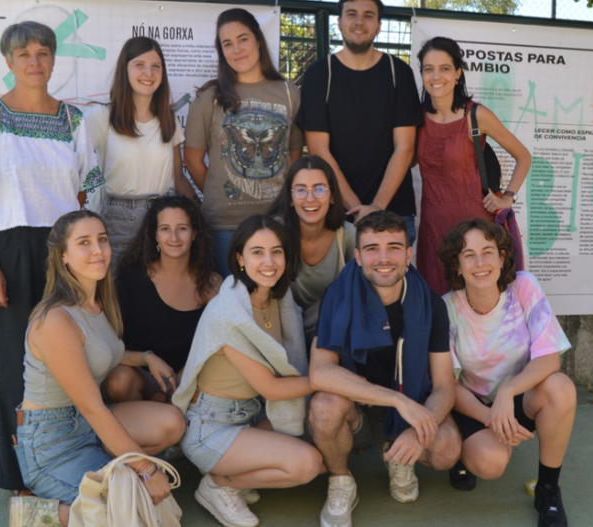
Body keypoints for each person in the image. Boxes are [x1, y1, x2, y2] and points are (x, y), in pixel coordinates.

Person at [0, 21, 104, 494]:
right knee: (15, 361)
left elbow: (84, 190)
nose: (34, 62)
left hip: (64, 251)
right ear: (9, 62)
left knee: (74, 356)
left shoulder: (73, 121)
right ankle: (19, 473)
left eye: (43, 52)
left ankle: (71, 457)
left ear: (54, 60)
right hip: (12, 250)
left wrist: (82, 250)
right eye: (24, 55)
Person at [9, 210, 186, 527]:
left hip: (87, 425)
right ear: (63, 256)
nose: (98, 250)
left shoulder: (97, 302)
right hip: (53, 442)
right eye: (84, 243)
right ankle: (39, 514)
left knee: (172, 423)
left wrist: (145, 357)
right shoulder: (55, 320)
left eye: (102, 240)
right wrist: (146, 469)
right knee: (139, 509)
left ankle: (109, 483)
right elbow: (91, 406)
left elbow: (102, 353)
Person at [309, 210, 461, 527]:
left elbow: (446, 385)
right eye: (372, 248)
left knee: (446, 451)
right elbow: (320, 373)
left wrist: (419, 430)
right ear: (358, 256)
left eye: (393, 247)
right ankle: (341, 480)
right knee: (324, 406)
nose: (383, 258)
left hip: (412, 403)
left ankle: (396, 450)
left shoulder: (430, 304)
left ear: (408, 254)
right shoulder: (337, 295)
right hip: (359, 411)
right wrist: (396, 400)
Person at [172, 215, 323, 527]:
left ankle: (234, 471)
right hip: (211, 426)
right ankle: (219, 484)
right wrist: (330, 382)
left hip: (253, 415)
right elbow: (272, 388)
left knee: (322, 450)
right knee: (308, 465)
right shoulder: (228, 312)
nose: (269, 262)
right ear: (240, 258)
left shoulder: (278, 299)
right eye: (257, 252)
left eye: (276, 251)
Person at [438, 218, 575, 527]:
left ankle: (548, 490)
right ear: (457, 266)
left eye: (488, 252)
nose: (480, 262)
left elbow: (549, 358)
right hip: (472, 407)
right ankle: (462, 454)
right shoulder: (446, 308)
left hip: (516, 398)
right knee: (491, 463)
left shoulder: (524, 286)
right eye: (468, 254)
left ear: (502, 258)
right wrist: (491, 419)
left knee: (561, 388)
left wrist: (508, 392)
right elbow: (448, 383)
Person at [184, 8, 304, 278]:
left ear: (258, 40)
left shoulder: (289, 93)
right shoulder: (209, 98)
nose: (236, 49)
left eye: (243, 39)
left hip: (277, 222)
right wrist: (224, 189)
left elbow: (294, 155)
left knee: (274, 306)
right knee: (231, 309)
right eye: (227, 44)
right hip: (225, 227)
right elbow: (191, 159)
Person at [298, 0, 422, 238]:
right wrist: (358, 210)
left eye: (368, 15)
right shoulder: (320, 74)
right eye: (351, 14)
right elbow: (319, 150)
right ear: (339, 22)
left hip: (394, 211)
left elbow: (405, 148)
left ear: (378, 25)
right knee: (340, 280)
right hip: (336, 214)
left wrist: (376, 208)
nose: (359, 21)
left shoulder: (399, 72)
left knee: (394, 278)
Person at [415, 37, 532, 295]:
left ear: (457, 73)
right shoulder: (417, 119)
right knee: (440, 308)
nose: (436, 76)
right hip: (433, 229)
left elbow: (523, 156)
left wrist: (508, 198)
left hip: (475, 230)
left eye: (445, 68)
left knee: (480, 307)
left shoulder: (475, 115)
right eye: (428, 68)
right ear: (422, 73)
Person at [85, 37, 194, 270]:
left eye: (156, 66)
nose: (149, 73)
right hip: (117, 221)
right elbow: (72, 170)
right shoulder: (102, 116)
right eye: (139, 64)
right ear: (125, 69)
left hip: (161, 222)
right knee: (117, 298)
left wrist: (201, 217)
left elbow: (179, 178)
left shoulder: (168, 119)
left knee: (154, 295)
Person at [103, 195, 219, 403]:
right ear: (155, 235)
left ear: (194, 233)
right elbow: (106, 346)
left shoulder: (212, 285)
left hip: (193, 379)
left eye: (182, 228)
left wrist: (184, 379)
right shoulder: (132, 277)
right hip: (143, 378)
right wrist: (148, 358)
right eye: (165, 229)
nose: (173, 237)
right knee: (118, 381)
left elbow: (217, 345)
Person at [267, 155, 356, 340]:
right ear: (290, 198)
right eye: (300, 190)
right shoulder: (273, 233)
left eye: (319, 189)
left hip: (332, 333)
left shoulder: (347, 235)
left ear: (332, 196)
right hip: (280, 331)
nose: (310, 198)